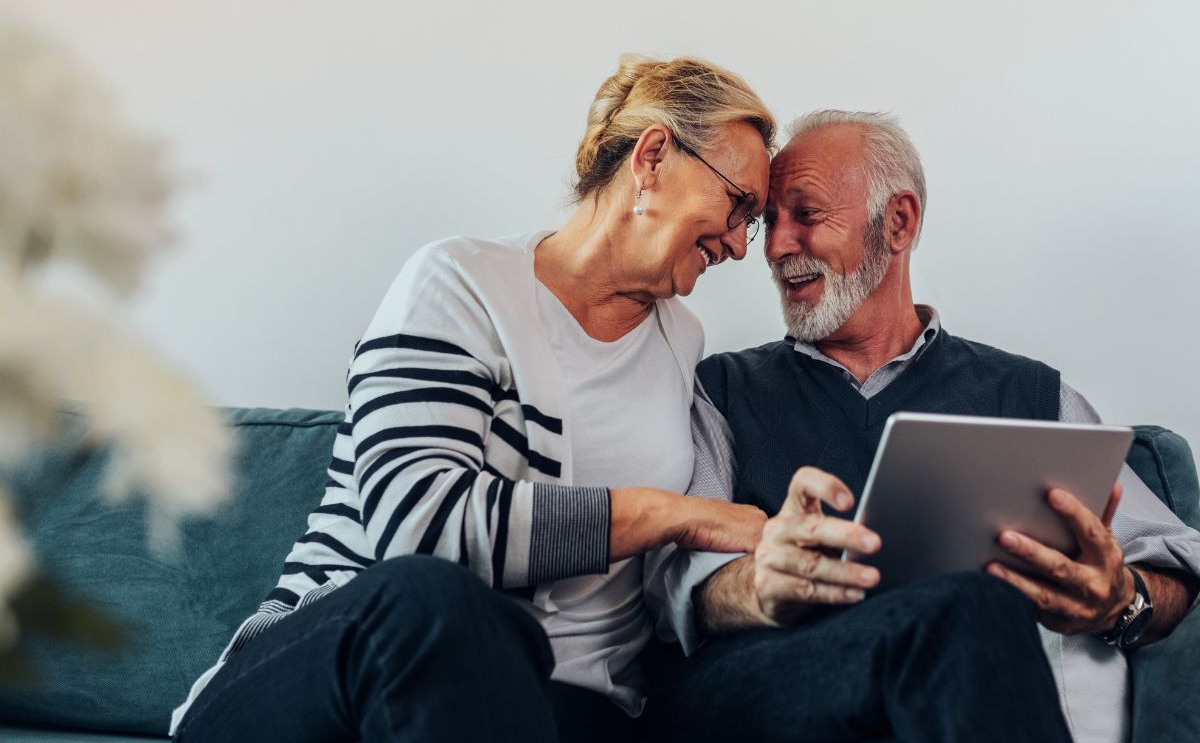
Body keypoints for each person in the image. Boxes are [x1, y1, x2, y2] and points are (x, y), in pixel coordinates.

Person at [169, 55, 776, 743]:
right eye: (738, 205)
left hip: (565, 712)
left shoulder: (682, 348)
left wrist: (769, 564)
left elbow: (685, 574)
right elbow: (418, 525)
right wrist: (666, 513)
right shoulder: (461, 285)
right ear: (655, 154)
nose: (737, 243)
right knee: (433, 599)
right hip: (343, 680)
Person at [642, 110, 1200, 743]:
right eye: (771, 221)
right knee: (969, 607)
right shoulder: (720, 390)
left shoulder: (1031, 393)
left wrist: (1121, 601)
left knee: (969, 613)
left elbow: (1177, 563)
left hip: (960, 697)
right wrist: (762, 580)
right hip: (776, 688)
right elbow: (680, 589)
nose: (775, 247)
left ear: (898, 222)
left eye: (806, 215)